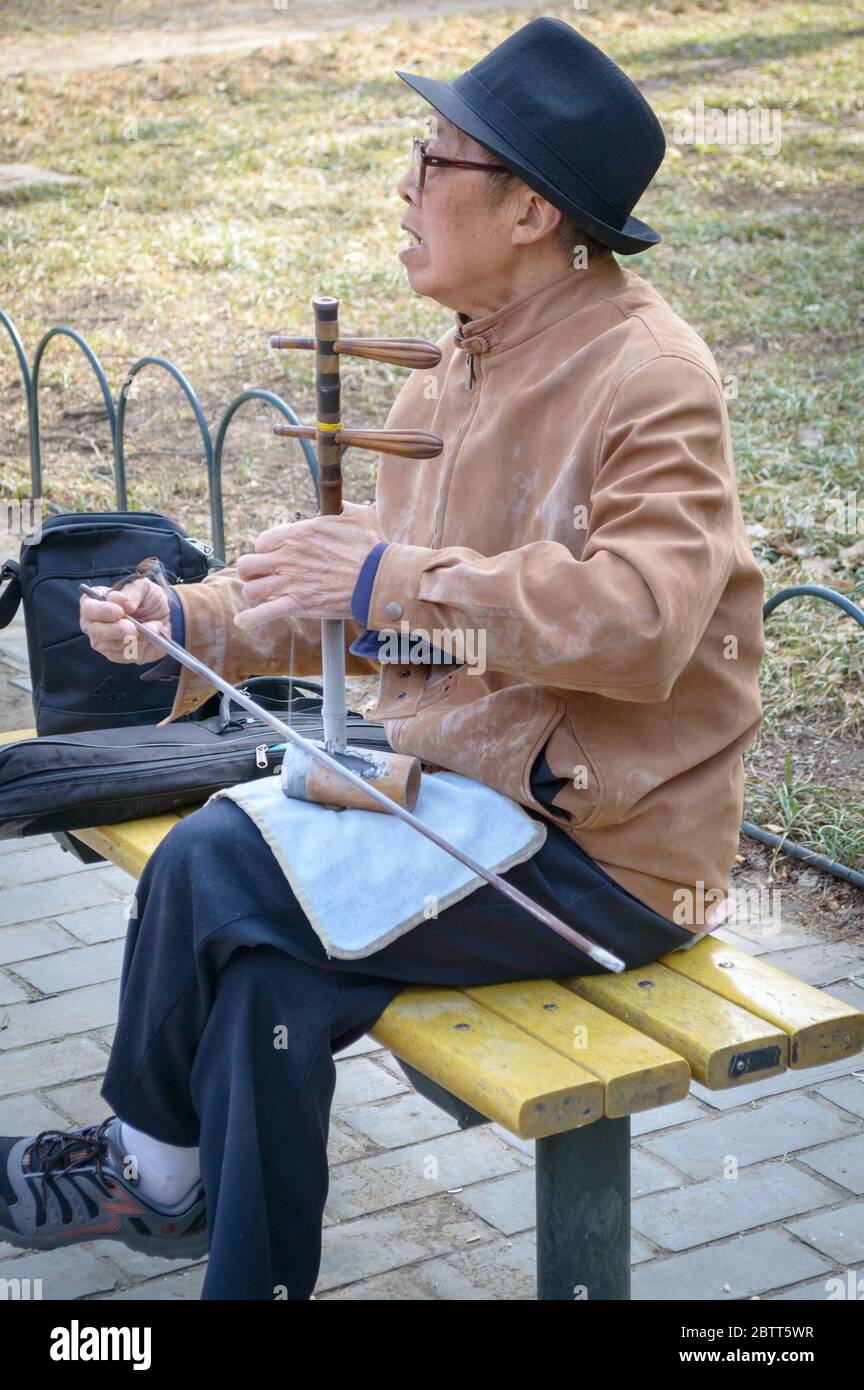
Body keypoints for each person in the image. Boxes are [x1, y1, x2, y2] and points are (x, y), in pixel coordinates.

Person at [0, 17, 764, 1299]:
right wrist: (193, 620)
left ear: (529, 207)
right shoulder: (468, 353)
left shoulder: (650, 376)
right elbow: (372, 586)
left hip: (607, 857)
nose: (404, 186)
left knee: (216, 857)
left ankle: (149, 1173)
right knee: (261, 977)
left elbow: (645, 623)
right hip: (468, 799)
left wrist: (390, 580)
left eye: (433, 157)